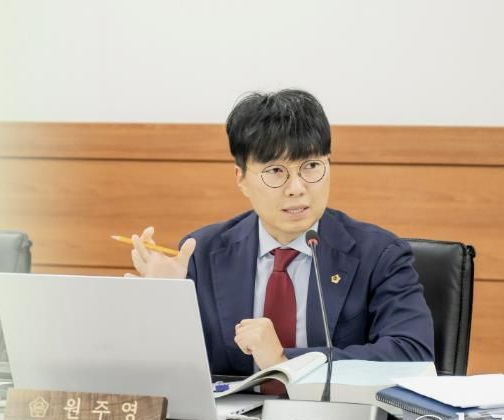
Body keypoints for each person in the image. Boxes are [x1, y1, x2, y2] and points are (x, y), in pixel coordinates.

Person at [129, 89, 434, 376]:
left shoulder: (379, 254)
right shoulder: (203, 252)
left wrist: (283, 361)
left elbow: (413, 354)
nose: (297, 188)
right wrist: (164, 301)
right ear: (241, 178)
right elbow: (172, 371)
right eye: (275, 171)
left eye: (311, 166)